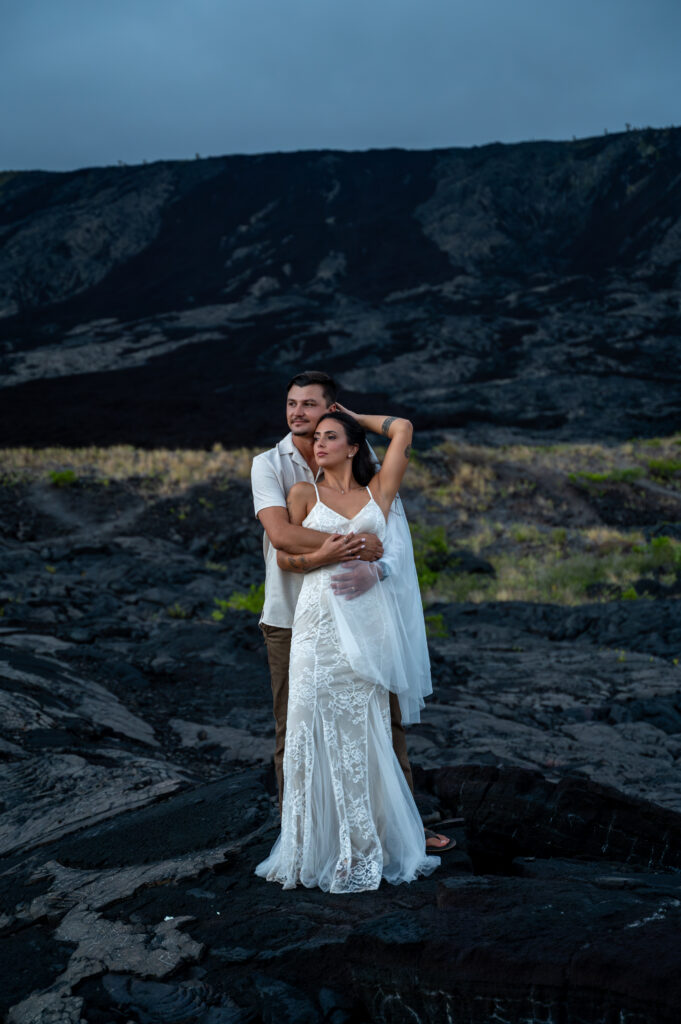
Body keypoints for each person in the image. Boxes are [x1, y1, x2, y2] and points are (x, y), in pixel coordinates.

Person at [251, 371, 453, 854]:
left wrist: (376, 566)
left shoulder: (370, 474)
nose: (299, 413)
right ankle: (303, 832)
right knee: (295, 724)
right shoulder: (270, 466)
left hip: (368, 615)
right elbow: (282, 539)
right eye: (292, 404)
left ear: (333, 413)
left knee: (386, 723)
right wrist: (355, 547)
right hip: (294, 613)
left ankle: (401, 826)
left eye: (313, 408)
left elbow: (396, 544)